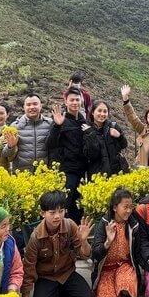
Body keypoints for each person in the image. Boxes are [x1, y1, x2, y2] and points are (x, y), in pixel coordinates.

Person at [19, 191, 94, 297]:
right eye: (52, 212)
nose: (57, 216)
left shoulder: (70, 225)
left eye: (61, 211)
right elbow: (28, 273)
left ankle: (59, 294)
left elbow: (85, 255)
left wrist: (84, 241)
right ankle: (51, 295)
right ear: (43, 213)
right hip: (46, 277)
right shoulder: (35, 237)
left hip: (66, 273)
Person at [91, 188, 143, 297]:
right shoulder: (104, 223)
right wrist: (107, 242)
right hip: (106, 270)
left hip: (124, 267)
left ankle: (121, 293)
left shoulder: (133, 224)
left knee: (126, 290)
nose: (129, 211)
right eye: (125, 207)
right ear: (115, 207)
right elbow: (95, 254)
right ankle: (114, 293)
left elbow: (138, 251)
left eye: (131, 207)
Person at [45, 88, 89, 221]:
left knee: (77, 207)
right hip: (66, 171)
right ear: (66, 102)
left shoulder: (83, 121)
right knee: (64, 205)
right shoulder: (60, 120)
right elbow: (50, 144)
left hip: (80, 171)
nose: (75, 102)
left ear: (81, 101)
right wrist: (57, 126)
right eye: (72, 100)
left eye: (77, 100)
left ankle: (75, 231)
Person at [6, 94, 52, 173]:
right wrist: (10, 146)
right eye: (28, 105)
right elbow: (5, 155)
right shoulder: (15, 126)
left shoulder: (50, 124)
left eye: (35, 104)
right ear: (24, 107)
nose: (32, 107)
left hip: (44, 174)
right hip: (21, 174)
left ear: (40, 106)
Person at [83, 99, 129, 178]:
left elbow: (124, 145)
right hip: (98, 175)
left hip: (117, 173)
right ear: (93, 112)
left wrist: (119, 136)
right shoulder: (86, 129)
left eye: (105, 111)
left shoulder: (113, 126)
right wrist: (91, 134)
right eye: (99, 111)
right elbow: (91, 155)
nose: (102, 114)